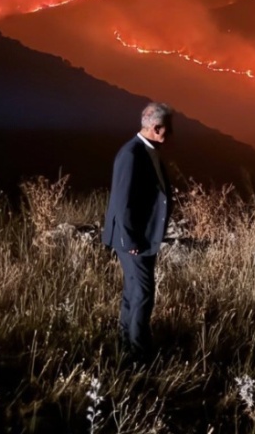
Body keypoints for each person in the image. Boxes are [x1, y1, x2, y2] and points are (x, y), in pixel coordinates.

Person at [102, 102, 174, 358]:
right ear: (156, 127)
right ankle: (139, 355)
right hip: (135, 239)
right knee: (143, 294)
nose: (171, 133)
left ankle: (125, 346)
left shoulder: (146, 150)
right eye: (168, 128)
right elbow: (122, 202)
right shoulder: (132, 154)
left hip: (141, 237)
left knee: (133, 291)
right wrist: (130, 238)